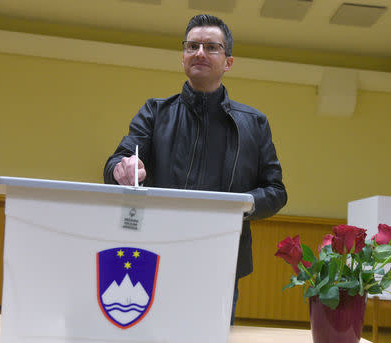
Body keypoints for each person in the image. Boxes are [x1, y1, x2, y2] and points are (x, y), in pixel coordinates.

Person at [103, 14, 287, 324]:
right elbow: (115, 162)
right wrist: (122, 170)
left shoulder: (254, 124)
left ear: (228, 62)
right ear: (183, 56)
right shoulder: (155, 112)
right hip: (153, 253)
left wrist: (243, 204)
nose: (200, 53)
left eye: (211, 47)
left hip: (222, 259)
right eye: (192, 46)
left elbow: (276, 191)